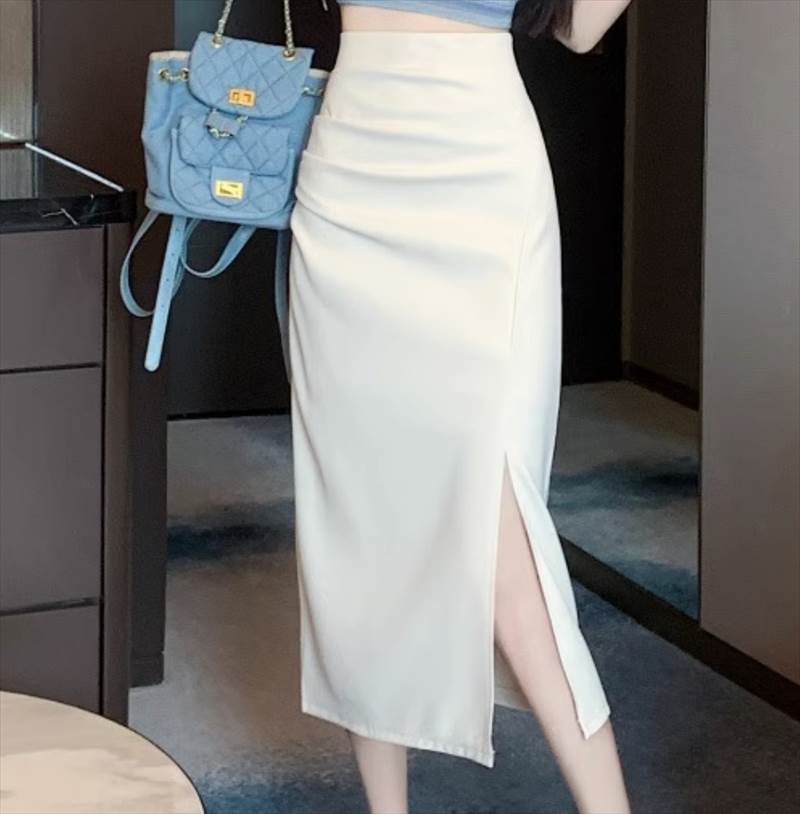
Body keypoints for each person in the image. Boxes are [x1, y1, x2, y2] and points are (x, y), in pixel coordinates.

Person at [288, 2, 634, 812]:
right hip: (351, 170)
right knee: (361, 525)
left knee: (502, 539)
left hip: (479, 174)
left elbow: (580, 27)